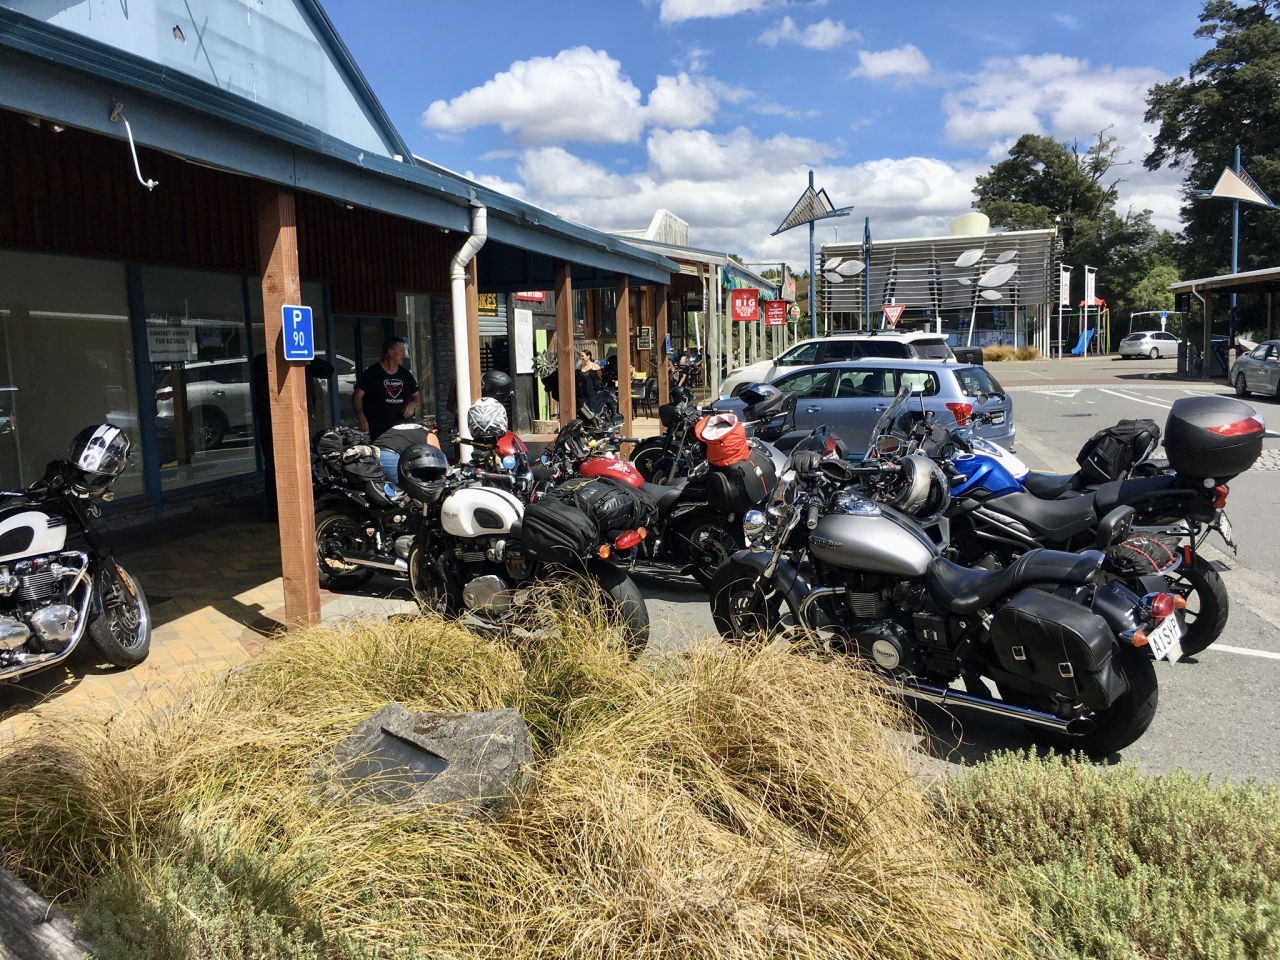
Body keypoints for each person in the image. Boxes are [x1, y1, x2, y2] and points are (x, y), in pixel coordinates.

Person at [252, 352, 335, 521]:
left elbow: (328, 370)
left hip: (299, 419)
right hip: (273, 421)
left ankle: (300, 502)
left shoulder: (300, 358)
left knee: (300, 461)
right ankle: (276, 508)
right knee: (274, 464)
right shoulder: (263, 361)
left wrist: (308, 361)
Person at [352, 337, 420, 441]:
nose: (404, 354)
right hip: (378, 429)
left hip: (401, 428)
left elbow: (416, 396)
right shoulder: (372, 373)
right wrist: (361, 416)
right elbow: (357, 396)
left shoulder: (405, 374)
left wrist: (413, 404)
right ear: (391, 352)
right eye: (401, 351)